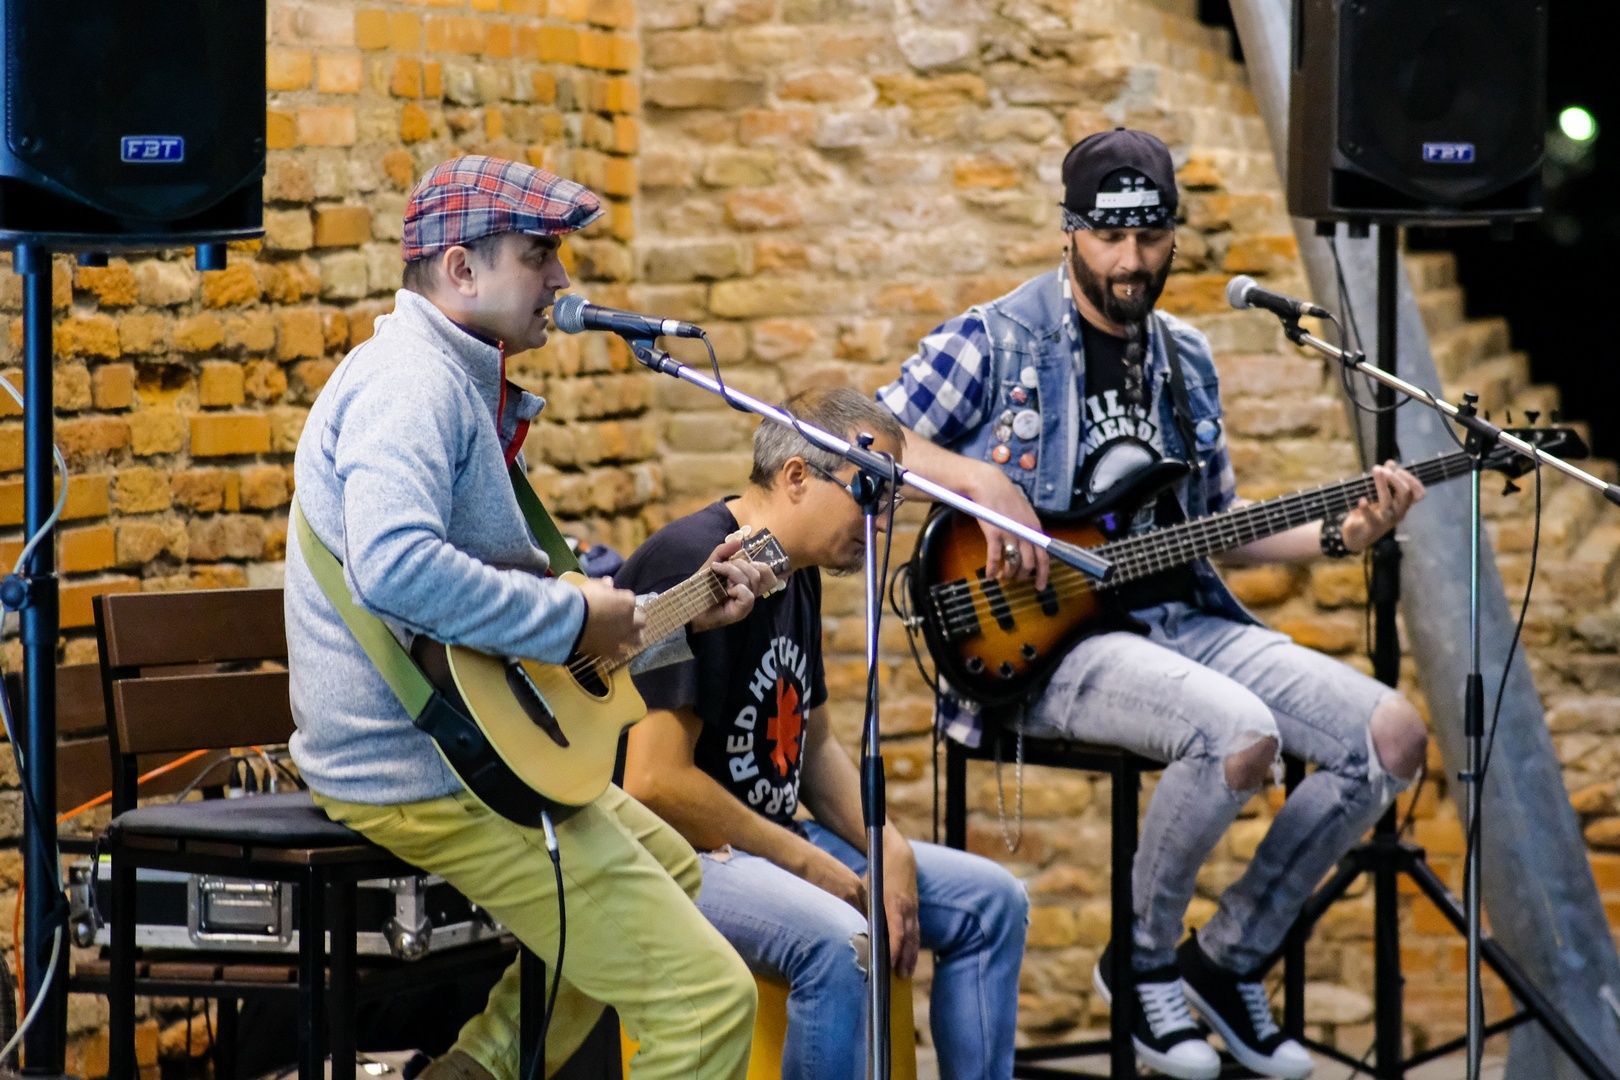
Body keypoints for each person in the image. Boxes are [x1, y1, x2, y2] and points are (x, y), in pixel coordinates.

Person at [874, 129, 1430, 1080]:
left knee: (1390, 738)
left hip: (1185, 622)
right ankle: (1139, 962)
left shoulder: (1185, 358)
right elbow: (854, 435)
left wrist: (1345, 534)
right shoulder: (994, 339)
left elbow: (1217, 528)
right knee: (1240, 735)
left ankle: (1228, 960)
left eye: (1150, 236)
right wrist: (979, 479)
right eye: (1108, 237)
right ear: (1069, 231)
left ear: (1174, 233)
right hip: (1051, 645)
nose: (1130, 261)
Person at [286, 155, 778, 1080]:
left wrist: (678, 617)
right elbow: (395, 566)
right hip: (419, 766)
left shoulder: (454, 379)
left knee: (674, 868)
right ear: (461, 270)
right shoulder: (411, 383)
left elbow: (531, 650)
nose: (562, 279)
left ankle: (473, 1073)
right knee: (708, 1000)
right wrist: (568, 618)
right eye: (539, 255)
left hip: (468, 746)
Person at [614, 387, 1030, 1080]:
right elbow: (654, 784)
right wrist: (810, 865)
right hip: (679, 854)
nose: (882, 519)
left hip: (765, 840)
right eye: (870, 493)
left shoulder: (792, 570)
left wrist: (886, 843)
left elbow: (814, 744)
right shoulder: (694, 560)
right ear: (797, 476)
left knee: (993, 902)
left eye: (890, 497)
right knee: (841, 939)